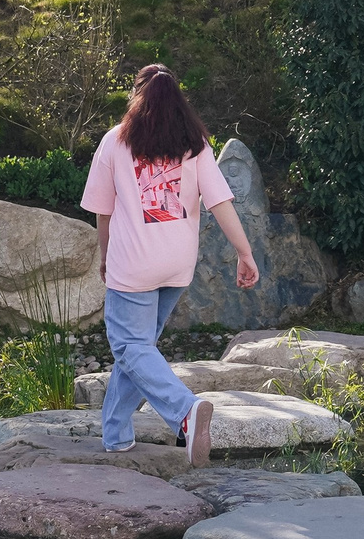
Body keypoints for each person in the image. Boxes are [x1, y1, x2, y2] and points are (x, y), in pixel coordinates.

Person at [80, 65, 259, 467]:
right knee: (138, 351)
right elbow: (220, 202)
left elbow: (103, 212)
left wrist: (106, 256)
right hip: (177, 264)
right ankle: (117, 434)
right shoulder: (194, 143)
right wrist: (244, 252)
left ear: (137, 97)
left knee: (130, 347)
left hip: (135, 264)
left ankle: (185, 411)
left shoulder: (115, 141)